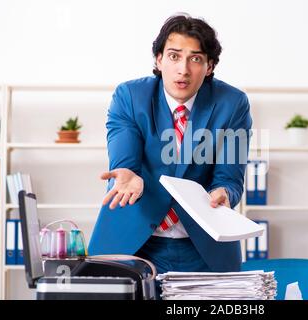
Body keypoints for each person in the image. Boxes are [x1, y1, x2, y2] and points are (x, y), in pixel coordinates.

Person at [88, 13, 252, 296]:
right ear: (158, 60)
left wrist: (225, 192)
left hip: (204, 248)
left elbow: (230, 177)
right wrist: (128, 174)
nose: (183, 70)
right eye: (174, 56)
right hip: (136, 241)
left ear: (210, 66)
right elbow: (124, 157)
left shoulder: (232, 103)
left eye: (196, 59)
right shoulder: (130, 96)